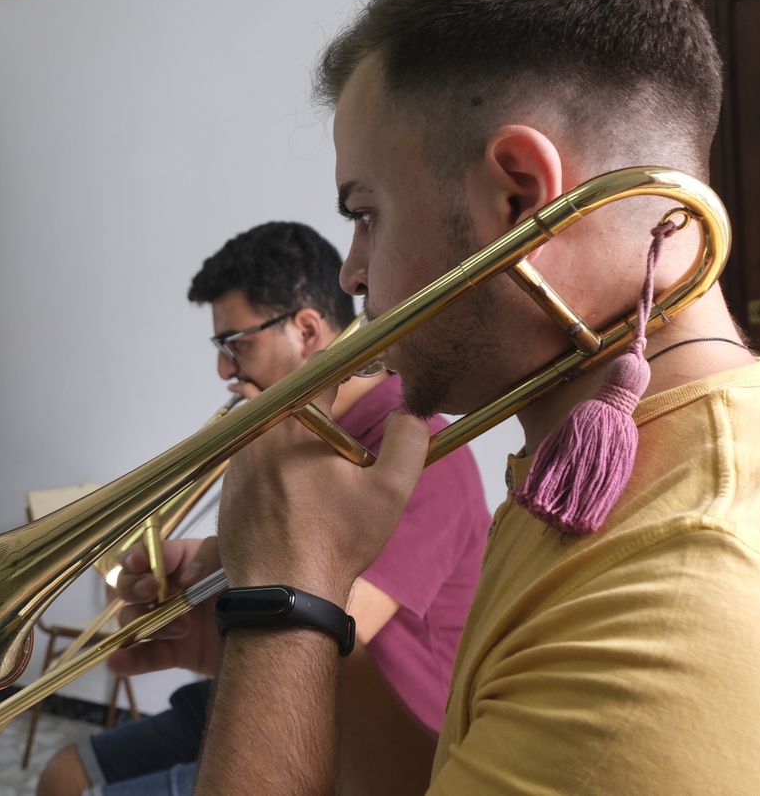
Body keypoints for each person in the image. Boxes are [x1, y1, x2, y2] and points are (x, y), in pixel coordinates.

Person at [115, 0, 760, 795]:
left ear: (518, 196)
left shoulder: (685, 606)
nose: (352, 272)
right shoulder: (656, 472)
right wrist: (287, 616)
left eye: (367, 213)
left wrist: (281, 612)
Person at [39, 221, 489, 796]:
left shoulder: (416, 449)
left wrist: (214, 593)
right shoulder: (297, 445)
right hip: (274, 684)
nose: (226, 371)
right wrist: (193, 573)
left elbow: (325, 629)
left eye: (237, 344)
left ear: (305, 330)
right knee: (63, 775)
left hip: (373, 744)